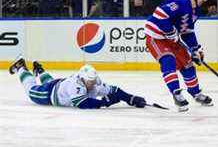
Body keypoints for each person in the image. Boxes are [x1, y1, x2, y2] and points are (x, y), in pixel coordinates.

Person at [144, 0, 213, 112]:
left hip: (172, 38)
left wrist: (195, 48)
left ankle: (196, 93)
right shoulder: (180, 2)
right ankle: (176, 93)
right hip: (156, 36)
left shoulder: (196, 10)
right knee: (168, 60)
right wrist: (170, 32)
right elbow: (159, 14)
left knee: (187, 64)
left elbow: (187, 31)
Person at [9, 57, 146, 109]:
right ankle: (21, 68)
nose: (92, 84)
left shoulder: (94, 82)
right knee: (31, 89)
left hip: (59, 85)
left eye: (93, 81)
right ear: (82, 79)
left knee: (49, 81)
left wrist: (131, 98)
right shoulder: (76, 85)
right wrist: (105, 102)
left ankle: (40, 71)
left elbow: (115, 90)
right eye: (89, 81)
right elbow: (83, 104)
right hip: (48, 94)